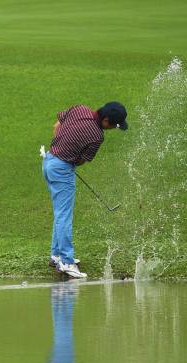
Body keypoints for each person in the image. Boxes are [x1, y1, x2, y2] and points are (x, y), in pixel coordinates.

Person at [42, 101, 128, 278]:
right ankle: (67, 262)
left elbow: (57, 126)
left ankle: (56, 255)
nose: (113, 129)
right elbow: (81, 160)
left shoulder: (80, 109)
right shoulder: (97, 136)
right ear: (106, 120)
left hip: (49, 160)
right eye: (113, 125)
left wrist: (60, 151)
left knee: (60, 212)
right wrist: (66, 159)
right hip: (61, 170)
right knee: (64, 216)